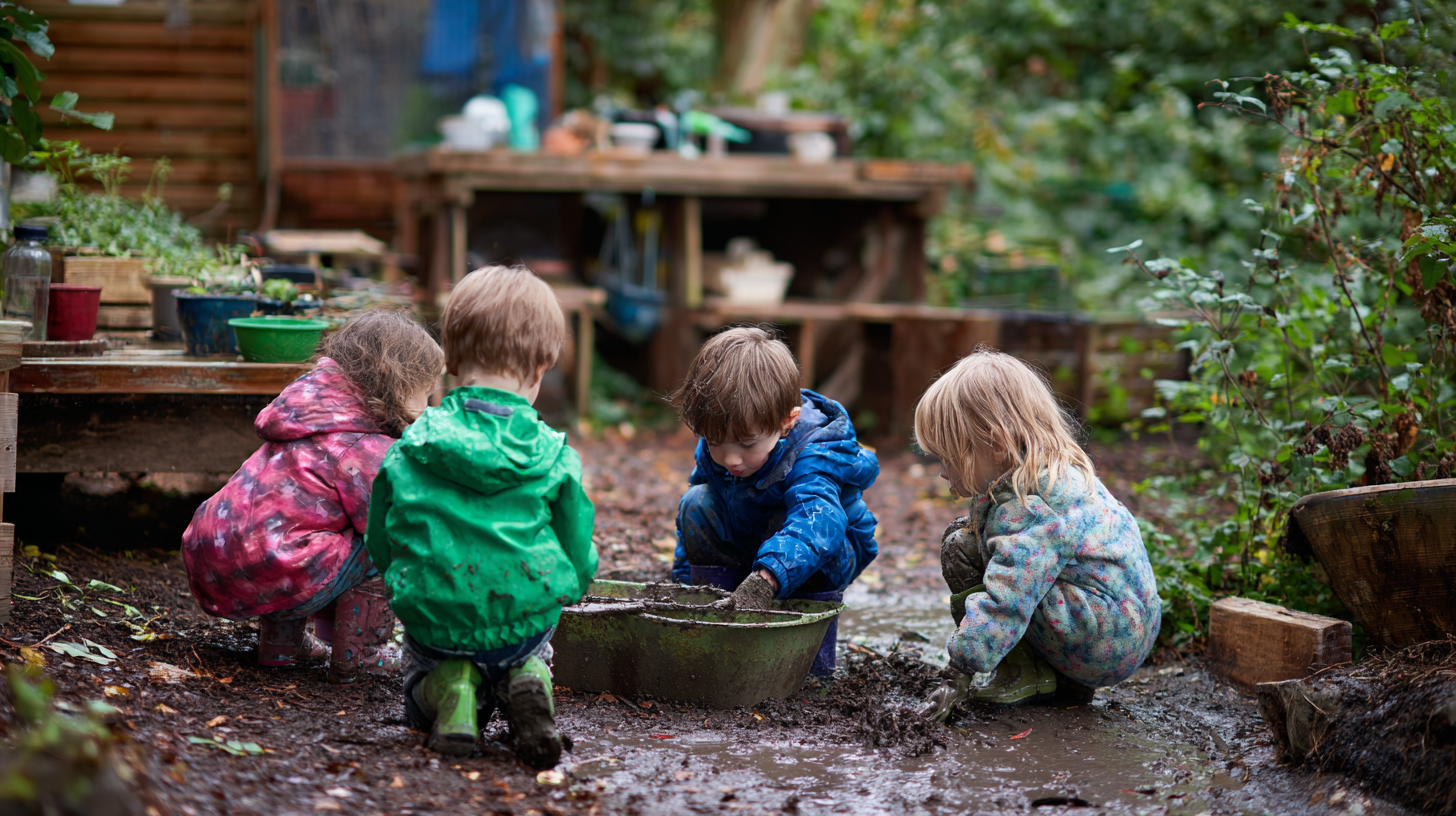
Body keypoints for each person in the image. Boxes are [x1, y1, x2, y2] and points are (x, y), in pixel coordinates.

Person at [365, 265, 596, 767]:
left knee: (421, 681)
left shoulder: (412, 446)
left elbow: (380, 533)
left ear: (449, 359)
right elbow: (577, 542)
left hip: (436, 619)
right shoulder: (553, 453)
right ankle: (529, 679)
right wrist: (575, 583)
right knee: (530, 646)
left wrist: (401, 577)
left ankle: (450, 691)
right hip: (521, 624)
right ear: (540, 369)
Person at [182, 309, 444, 683]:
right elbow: (391, 527)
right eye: (426, 391)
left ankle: (281, 648)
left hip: (214, 556)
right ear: (396, 382)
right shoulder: (362, 445)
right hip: (280, 566)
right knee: (379, 546)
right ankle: (360, 655)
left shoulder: (307, 413)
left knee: (295, 534)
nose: (429, 407)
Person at [913, 350, 1160, 712]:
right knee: (968, 539)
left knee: (962, 549)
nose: (943, 473)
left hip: (1103, 640)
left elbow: (1007, 598)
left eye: (949, 458)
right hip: (1116, 624)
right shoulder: (1045, 475)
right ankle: (1057, 679)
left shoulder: (1034, 505)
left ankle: (1024, 672)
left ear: (996, 444)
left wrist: (957, 674)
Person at [668, 326, 879, 676]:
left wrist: (767, 579)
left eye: (746, 444)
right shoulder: (721, 447)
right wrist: (683, 580)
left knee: (788, 519)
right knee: (697, 503)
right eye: (715, 442)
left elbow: (820, 524)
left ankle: (808, 665)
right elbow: (695, 519)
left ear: (786, 422)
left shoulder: (813, 454)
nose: (731, 458)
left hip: (825, 549)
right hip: (752, 533)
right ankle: (715, 622)